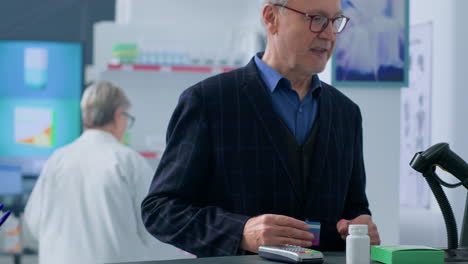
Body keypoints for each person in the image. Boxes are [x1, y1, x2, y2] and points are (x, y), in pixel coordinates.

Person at [142, 0, 381, 257]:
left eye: (335, 21)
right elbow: (161, 210)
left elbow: (354, 208)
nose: (329, 34)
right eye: (317, 19)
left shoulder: (346, 113)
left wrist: (360, 226)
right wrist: (239, 232)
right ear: (271, 17)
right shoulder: (208, 102)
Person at [24, 81, 160, 264]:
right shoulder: (128, 161)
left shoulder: (56, 160)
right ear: (118, 115)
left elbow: (33, 224)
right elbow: (153, 225)